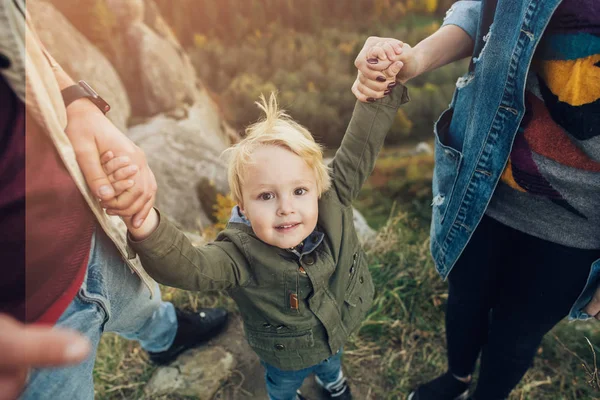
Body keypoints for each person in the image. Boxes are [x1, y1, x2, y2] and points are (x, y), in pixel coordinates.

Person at [100, 78, 408, 400]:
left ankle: (333, 383)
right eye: (266, 196)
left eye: (299, 191)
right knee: (282, 386)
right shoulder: (239, 254)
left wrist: (379, 90)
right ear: (243, 206)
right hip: (286, 358)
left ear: (318, 187)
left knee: (332, 361)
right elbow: (190, 267)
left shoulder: (334, 200)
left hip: (338, 327)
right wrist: (143, 220)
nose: (286, 208)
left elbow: (360, 146)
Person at [353, 0, 600, 399]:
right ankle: (458, 378)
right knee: (465, 296)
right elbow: (487, 12)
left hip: (579, 226)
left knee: (517, 334)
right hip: (484, 186)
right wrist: (413, 60)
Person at [0, 2, 227, 399]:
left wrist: (74, 100)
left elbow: (12, 29)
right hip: (27, 334)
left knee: (143, 303)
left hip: (86, 237)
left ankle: (167, 334)